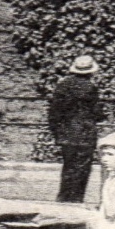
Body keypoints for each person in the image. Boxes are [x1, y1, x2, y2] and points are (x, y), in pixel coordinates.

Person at [48, 55, 106, 202]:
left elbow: (54, 112)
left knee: (68, 167)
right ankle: (76, 200)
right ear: (91, 71)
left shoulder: (62, 85)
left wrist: (57, 133)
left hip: (67, 134)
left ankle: (63, 199)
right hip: (85, 134)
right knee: (82, 169)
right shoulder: (90, 88)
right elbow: (97, 113)